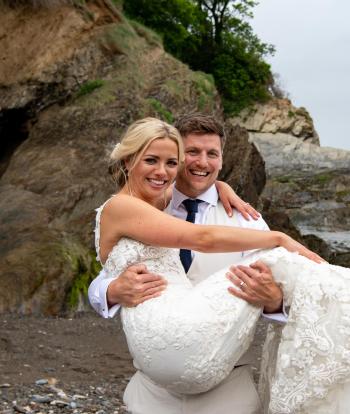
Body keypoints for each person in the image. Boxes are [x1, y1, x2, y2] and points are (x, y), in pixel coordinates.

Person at [90, 117, 350, 414]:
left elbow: (287, 300)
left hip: (227, 390)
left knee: (288, 269)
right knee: (286, 259)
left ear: (222, 159)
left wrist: (275, 301)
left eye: (212, 154)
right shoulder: (150, 203)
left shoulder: (246, 221)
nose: (203, 162)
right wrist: (112, 290)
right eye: (193, 152)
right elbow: (108, 271)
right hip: (154, 391)